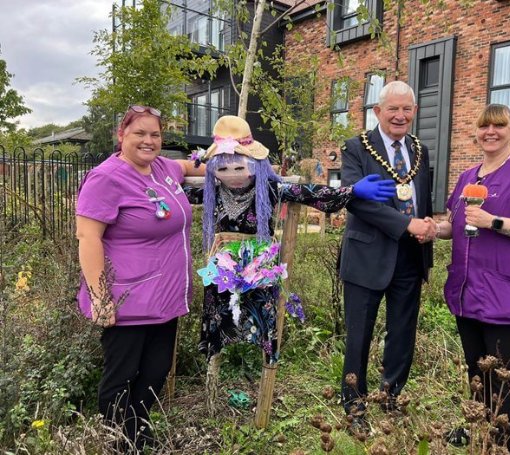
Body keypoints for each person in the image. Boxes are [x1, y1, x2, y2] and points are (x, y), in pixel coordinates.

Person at [188, 115, 396, 364]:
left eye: (239, 167)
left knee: (262, 317)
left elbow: (309, 193)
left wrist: (351, 191)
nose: (232, 175)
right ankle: (217, 364)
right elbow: (175, 192)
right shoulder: (211, 192)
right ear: (213, 171)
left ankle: (261, 368)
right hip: (222, 267)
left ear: (254, 165)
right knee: (220, 316)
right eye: (222, 169)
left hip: (259, 267)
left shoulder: (269, 189)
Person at [75, 105, 205, 451]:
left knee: (155, 373)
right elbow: (88, 239)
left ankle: (137, 432)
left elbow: (190, 165)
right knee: (121, 377)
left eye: (155, 134)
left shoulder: (162, 169)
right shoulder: (106, 178)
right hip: (127, 299)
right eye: (140, 134)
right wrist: (101, 298)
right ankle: (118, 442)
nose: (148, 141)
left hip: (165, 300)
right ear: (121, 136)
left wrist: (232, 164)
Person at [431, 104, 510, 453]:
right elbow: (456, 226)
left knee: (505, 380)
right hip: (467, 294)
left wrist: (494, 221)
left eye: (499, 126)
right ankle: (481, 431)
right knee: (477, 371)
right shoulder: (468, 176)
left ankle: (503, 445)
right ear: (476, 131)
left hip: (507, 297)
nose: (491, 132)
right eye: (484, 126)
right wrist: (433, 229)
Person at [339, 81, 436, 430]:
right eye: (392, 109)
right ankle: (354, 405)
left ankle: (391, 395)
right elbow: (356, 200)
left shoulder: (421, 151)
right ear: (378, 112)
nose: (400, 115)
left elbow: (422, 199)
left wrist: (426, 231)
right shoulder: (356, 148)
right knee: (359, 335)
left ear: (414, 112)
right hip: (367, 257)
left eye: (406, 109)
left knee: (402, 334)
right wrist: (406, 225)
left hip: (410, 258)